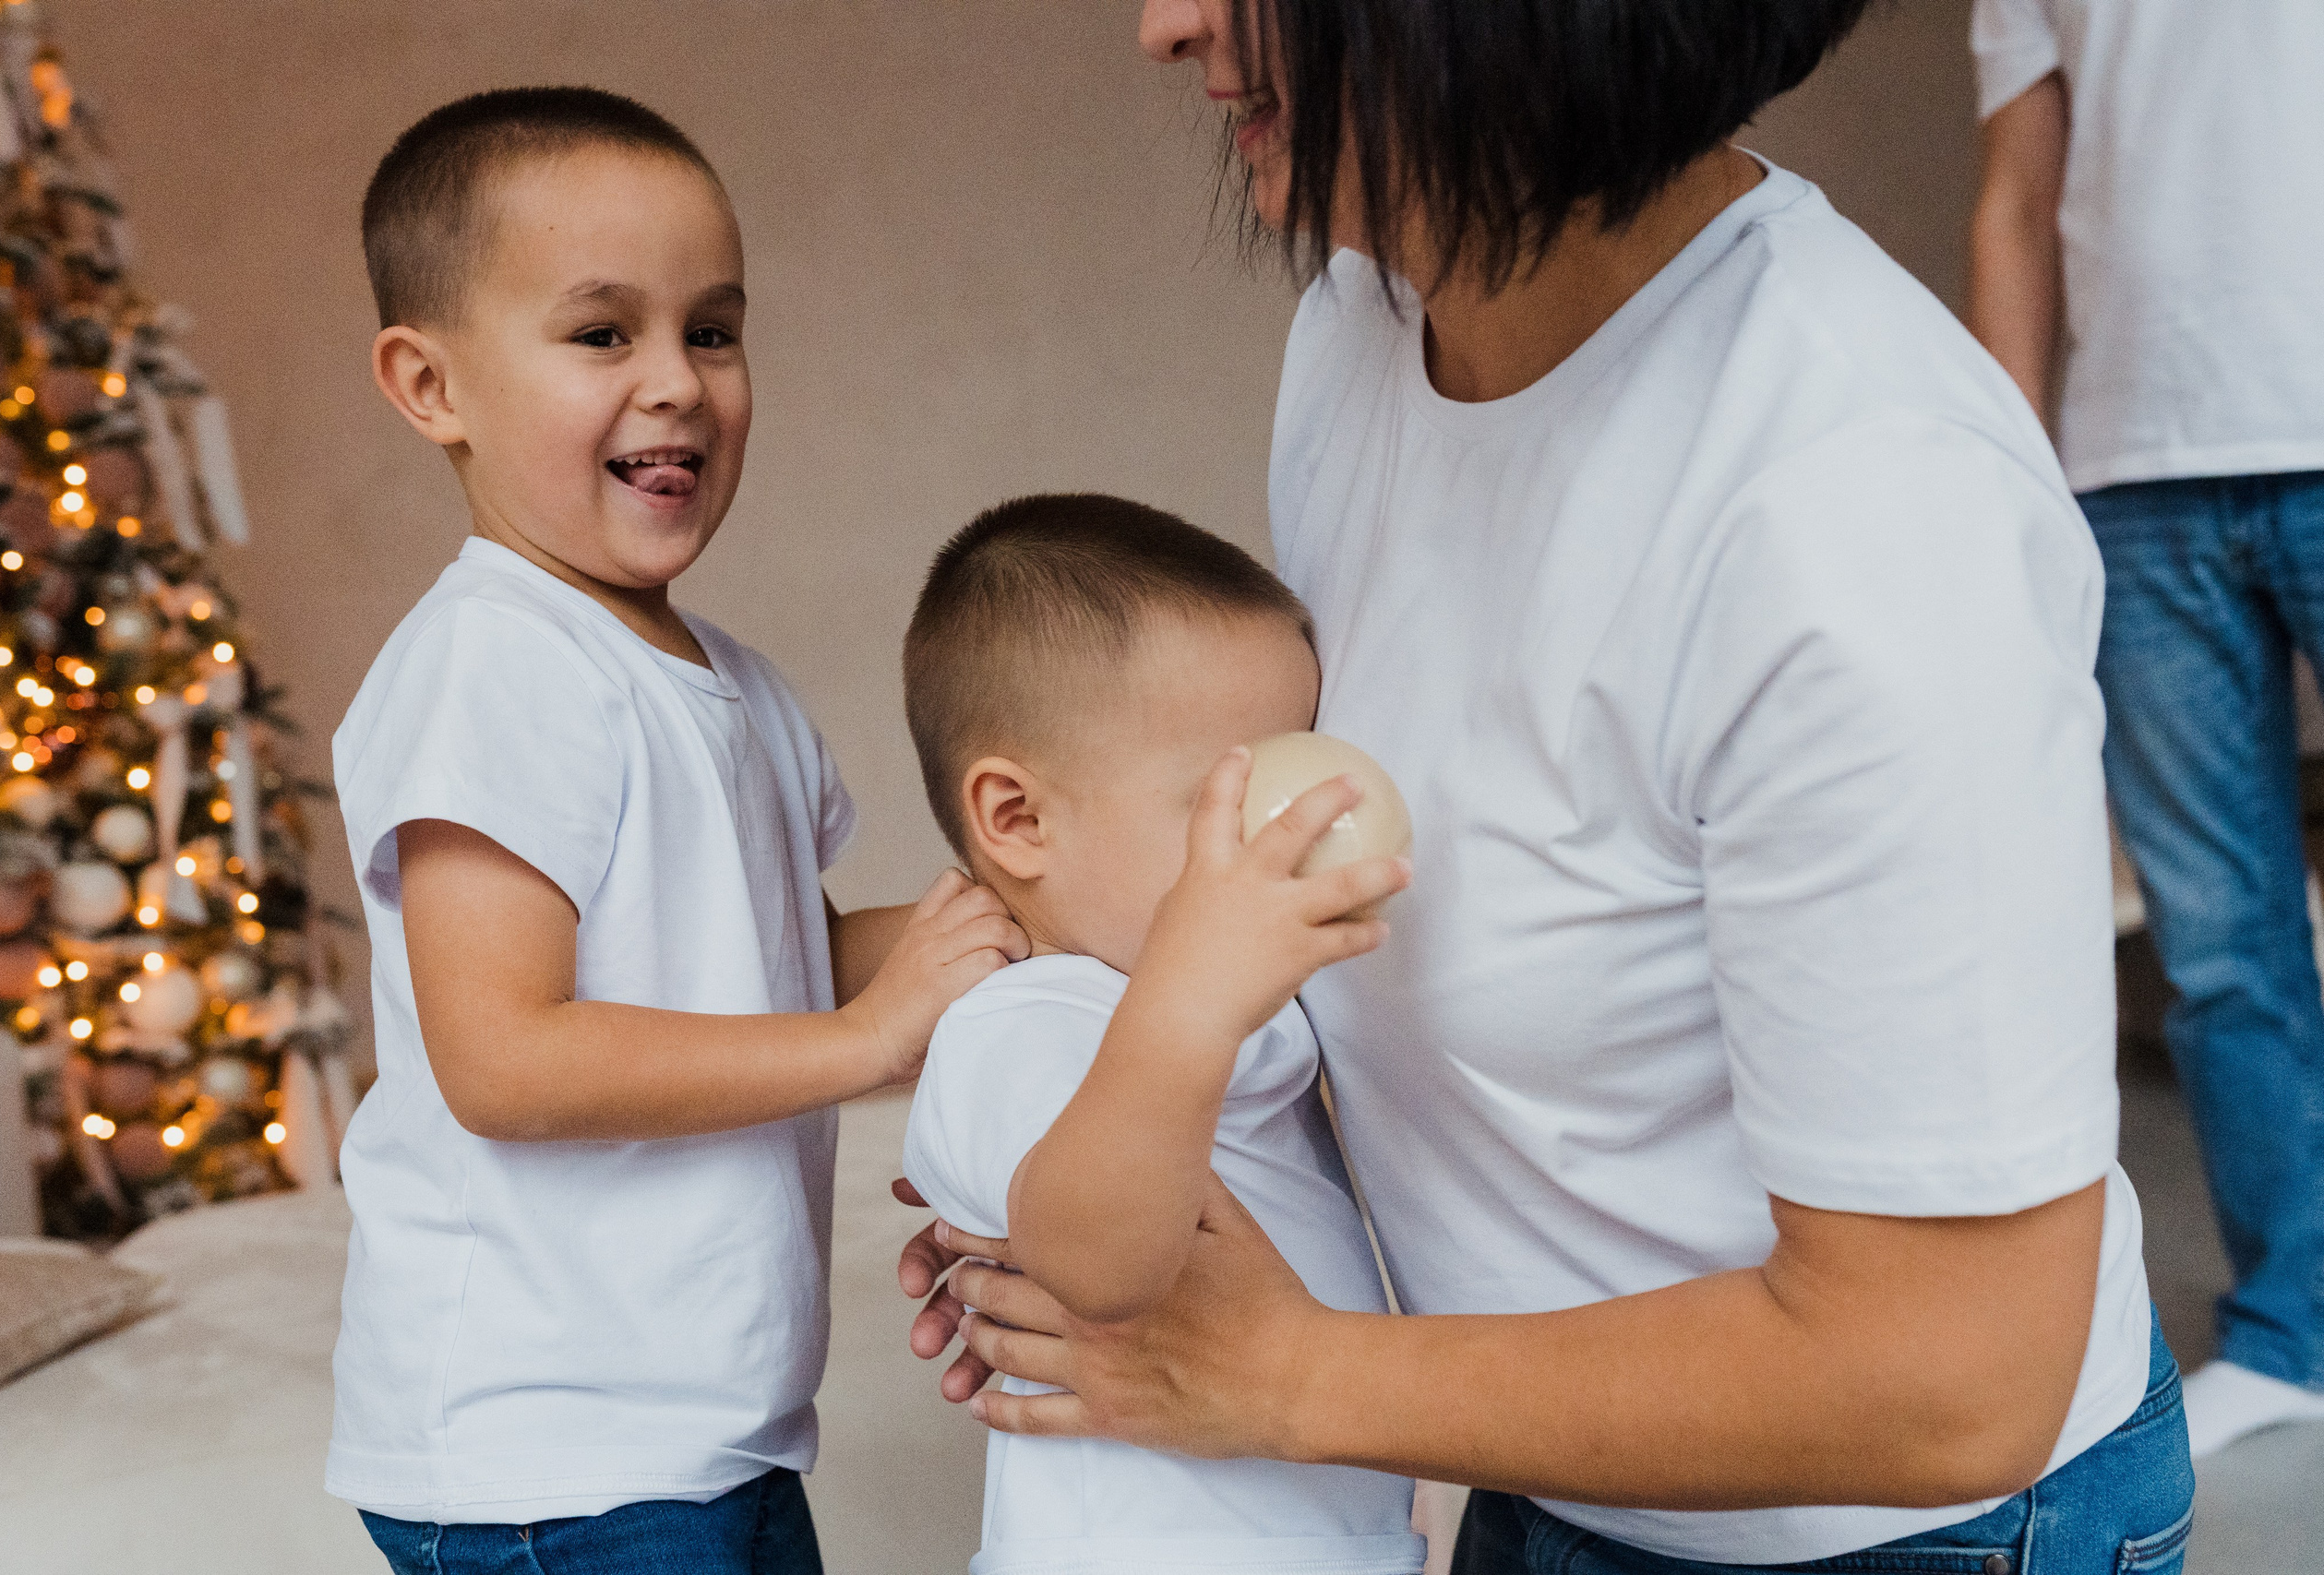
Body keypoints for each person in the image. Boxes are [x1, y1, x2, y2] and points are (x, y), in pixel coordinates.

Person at [897, 3, 2197, 1570]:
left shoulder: (1863, 510)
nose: (1165, 24)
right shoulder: (1367, 334)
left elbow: (1955, 1375)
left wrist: (1288, 1372)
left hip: (1901, 1530)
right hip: (1531, 1454)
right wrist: (1076, 1157)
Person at [328, 88, 1024, 1573]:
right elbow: (505, 1056)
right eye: (602, 334)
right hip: (550, 1457)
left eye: (712, 329)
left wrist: (1018, 924)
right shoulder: (493, 663)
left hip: (712, 1423)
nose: (680, 384)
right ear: (429, 381)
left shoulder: (735, 685)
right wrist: (867, 1041)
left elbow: (781, 952)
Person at [896, 495, 1422, 1575]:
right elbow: (1096, 1264)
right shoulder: (1028, 1021)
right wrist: (1190, 1002)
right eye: (1226, 802)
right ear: (1018, 821)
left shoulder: (1225, 1004)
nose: (1284, 842)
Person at [1968, 0, 2324, 1460]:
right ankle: (2298, 1328)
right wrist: (2015, 485)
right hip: (2133, 475)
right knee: (2223, 938)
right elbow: (2019, 197)